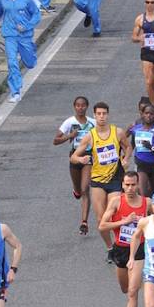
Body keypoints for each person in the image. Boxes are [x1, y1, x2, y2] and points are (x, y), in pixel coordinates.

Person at [99, 171, 147, 307]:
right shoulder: (116, 201)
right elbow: (102, 226)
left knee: (132, 293)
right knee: (125, 289)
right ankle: (139, 280)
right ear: (122, 185)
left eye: (133, 184)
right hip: (121, 250)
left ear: (138, 184)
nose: (130, 188)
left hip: (140, 250)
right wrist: (123, 222)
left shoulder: (146, 203)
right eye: (127, 184)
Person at [53, 94, 93, 233]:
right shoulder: (69, 122)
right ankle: (76, 190)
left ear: (87, 107)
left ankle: (84, 222)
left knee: (85, 189)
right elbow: (55, 140)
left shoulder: (93, 122)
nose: (80, 108)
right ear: (74, 107)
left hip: (88, 157)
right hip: (75, 157)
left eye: (83, 105)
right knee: (78, 189)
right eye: (78, 105)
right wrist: (70, 136)